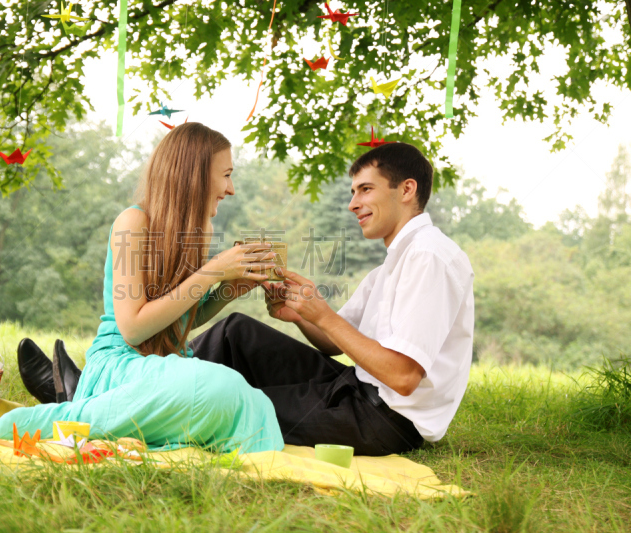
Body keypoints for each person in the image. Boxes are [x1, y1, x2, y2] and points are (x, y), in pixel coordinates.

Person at [0, 123, 284, 453]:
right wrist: (213, 273)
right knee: (225, 388)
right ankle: (61, 418)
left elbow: (179, 322)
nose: (231, 188)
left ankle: (86, 411)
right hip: (121, 365)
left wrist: (229, 288)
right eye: (226, 174)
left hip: (162, 365)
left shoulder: (199, 230)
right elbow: (134, 328)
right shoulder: (133, 222)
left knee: (254, 403)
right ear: (194, 174)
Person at [189, 142, 475, 456]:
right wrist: (301, 314)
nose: (353, 204)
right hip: (355, 387)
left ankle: (161, 405)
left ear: (406, 189)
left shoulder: (429, 256)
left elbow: (403, 377)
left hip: (383, 420)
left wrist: (323, 315)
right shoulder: (389, 268)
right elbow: (335, 343)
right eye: (353, 192)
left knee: (232, 404)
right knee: (236, 333)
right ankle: (156, 382)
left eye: (365, 189)